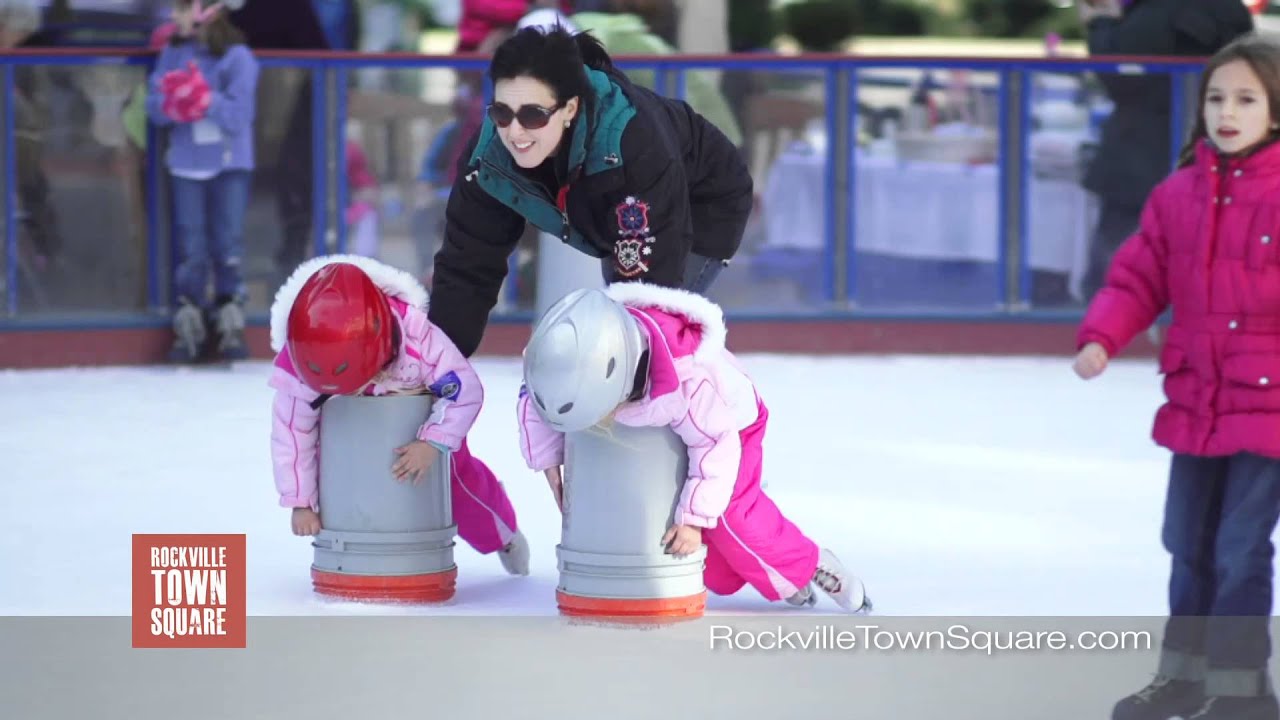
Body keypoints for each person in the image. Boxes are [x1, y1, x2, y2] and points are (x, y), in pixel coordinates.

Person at [1073, 35, 1280, 720]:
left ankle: (1241, 690)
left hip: (1270, 406)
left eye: (1246, 99)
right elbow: (1138, 277)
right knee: (1186, 542)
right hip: (1197, 400)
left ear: (1275, 111)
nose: (1227, 112)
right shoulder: (1179, 193)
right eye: (1216, 98)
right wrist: (1103, 336)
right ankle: (1184, 676)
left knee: (1240, 547)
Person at [516, 283, 870, 613]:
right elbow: (538, 394)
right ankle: (777, 569)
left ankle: (810, 564)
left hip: (731, 427)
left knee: (732, 517)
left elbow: (715, 442)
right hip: (687, 434)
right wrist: (548, 462)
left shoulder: (690, 381)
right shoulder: (570, 355)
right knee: (707, 564)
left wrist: (694, 520)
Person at [427, 26, 754, 358]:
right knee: (619, 334)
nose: (514, 132)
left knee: (644, 331)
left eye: (533, 115)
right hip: (619, 204)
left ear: (569, 108)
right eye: (501, 112)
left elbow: (647, 299)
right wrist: (438, 364)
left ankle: (699, 385)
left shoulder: (631, 146)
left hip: (704, 201)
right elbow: (467, 265)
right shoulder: (490, 157)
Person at [268, 255, 530, 576]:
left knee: (462, 493)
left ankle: (504, 537)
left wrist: (433, 442)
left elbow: (464, 391)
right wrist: (301, 502)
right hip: (351, 447)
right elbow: (292, 433)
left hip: (426, 433)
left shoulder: (417, 337)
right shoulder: (301, 357)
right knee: (351, 494)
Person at [1077, 0, 1252, 302]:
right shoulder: (1228, 10)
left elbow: (1119, 74)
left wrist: (1100, 24)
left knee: (1117, 253)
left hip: (1141, 154)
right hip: (1218, 149)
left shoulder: (1156, 13)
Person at [146, 0, 258, 362]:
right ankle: (189, 318)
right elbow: (154, 105)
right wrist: (173, 103)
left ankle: (229, 316)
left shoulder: (238, 57)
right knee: (190, 247)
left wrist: (204, 98)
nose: (173, 16)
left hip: (228, 165)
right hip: (186, 164)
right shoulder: (173, 52)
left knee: (227, 244)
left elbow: (239, 115)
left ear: (205, 12)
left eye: (182, 8)